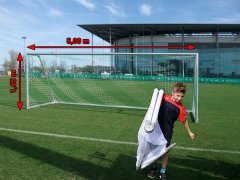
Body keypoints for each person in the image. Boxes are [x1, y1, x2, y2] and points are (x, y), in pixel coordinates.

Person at [147, 82, 195, 179]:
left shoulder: (181, 109)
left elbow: (184, 121)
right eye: (178, 95)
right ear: (173, 93)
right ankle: (154, 167)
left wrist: (190, 132)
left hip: (167, 131)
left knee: (165, 151)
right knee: (154, 148)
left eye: (182, 96)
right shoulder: (164, 97)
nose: (180, 98)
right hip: (156, 128)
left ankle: (163, 171)